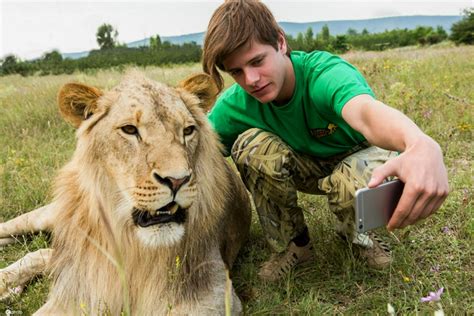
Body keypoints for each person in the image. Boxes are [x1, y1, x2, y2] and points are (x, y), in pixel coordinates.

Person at [202, 0, 449, 282]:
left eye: (257, 61)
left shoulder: (324, 73)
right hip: (305, 166)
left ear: (280, 43)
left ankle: (358, 237)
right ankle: (294, 246)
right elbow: (194, 150)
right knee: (249, 147)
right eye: (236, 72)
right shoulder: (235, 105)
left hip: (359, 159)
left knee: (348, 182)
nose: (252, 79)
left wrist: (419, 142)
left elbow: (367, 115)